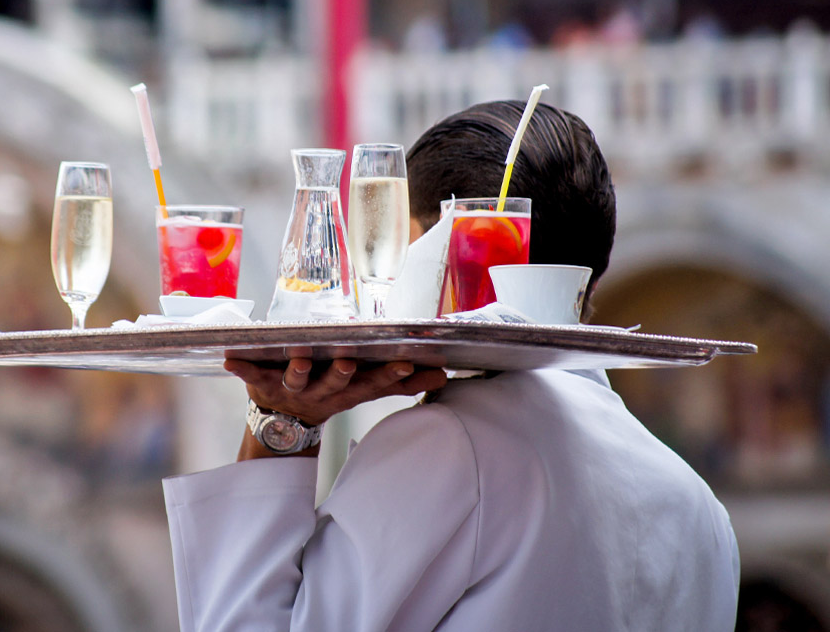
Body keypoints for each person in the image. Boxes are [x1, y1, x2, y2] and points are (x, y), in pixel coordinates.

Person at [162, 101, 740, 631]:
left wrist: (280, 425)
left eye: (400, 248)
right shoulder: (699, 508)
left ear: (447, 252)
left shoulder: (451, 448)